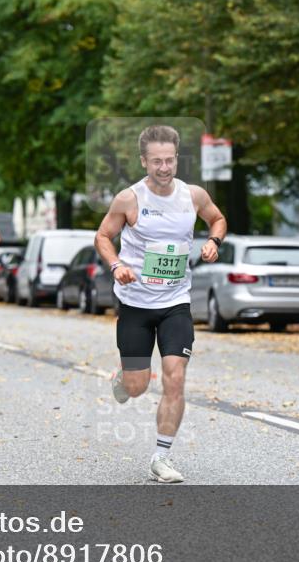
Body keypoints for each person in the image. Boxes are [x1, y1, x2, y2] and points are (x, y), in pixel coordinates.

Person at [94, 125, 227, 483]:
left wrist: (214, 241)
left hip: (175, 303)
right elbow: (103, 236)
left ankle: (161, 457)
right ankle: (126, 376)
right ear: (144, 161)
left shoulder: (193, 195)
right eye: (157, 161)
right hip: (135, 304)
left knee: (175, 378)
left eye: (169, 160)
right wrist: (117, 264)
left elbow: (217, 218)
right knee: (137, 387)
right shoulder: (129, 199)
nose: (165, 167)